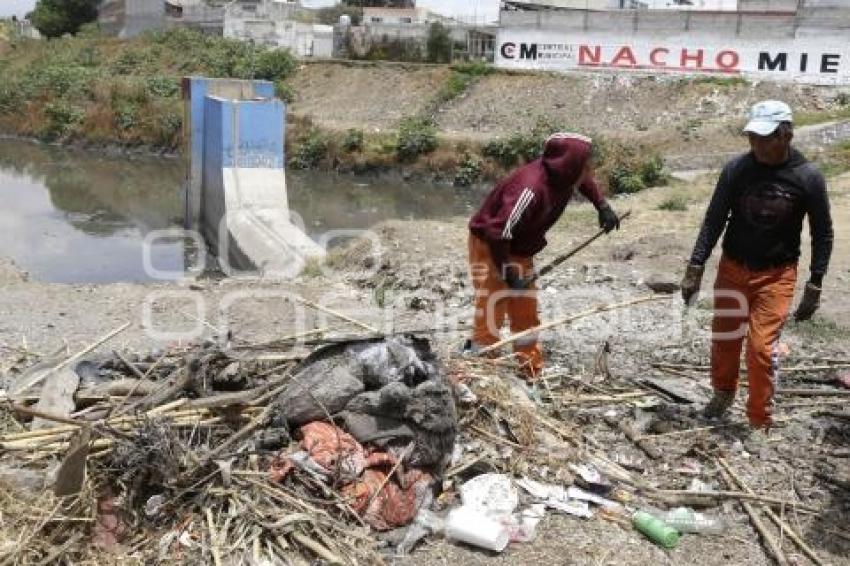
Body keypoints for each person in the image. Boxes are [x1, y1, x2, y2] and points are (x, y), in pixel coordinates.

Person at [681, 100, 834, 443]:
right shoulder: (737, 169)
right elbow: (715, 218)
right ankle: (723, 393)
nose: (757, 146)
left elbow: (822, 232)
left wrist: (816, 283)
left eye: (765, 138)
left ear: (786, 134)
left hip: (776, 276)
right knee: (725, 338)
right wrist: (695, 265)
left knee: (761, 349)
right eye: (753, 138)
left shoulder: (807, 177)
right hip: (734, 267)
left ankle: (758, 420)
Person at [466, 132, 620, 380]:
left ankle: (529, 372)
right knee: (492, 309)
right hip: (493, 248)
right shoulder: (531, 188)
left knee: (526, 312)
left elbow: (583, 180)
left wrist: (602, 205)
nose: (590, 168)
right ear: (570, 165)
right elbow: (497, 232)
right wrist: (508, 273)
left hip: (519, 249)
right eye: (586, 163)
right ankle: (480, 372)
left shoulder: (565, 176)